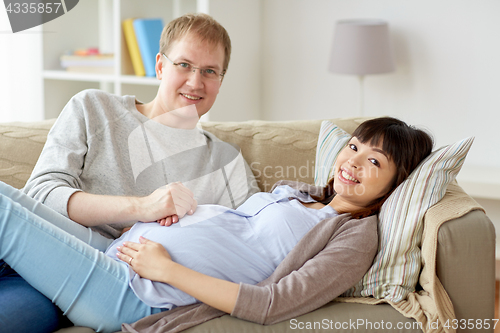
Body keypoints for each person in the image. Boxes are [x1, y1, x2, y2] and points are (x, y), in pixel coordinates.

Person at [0, 117, 433, 333]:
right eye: (353, 146)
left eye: (374, 161)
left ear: (397, 182)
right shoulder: (304, 195)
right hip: (118, 250)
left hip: (134, 291)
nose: (352, 161)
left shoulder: (357, 235)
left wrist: (168, 269)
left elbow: (274, 303)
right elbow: (236, 231)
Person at [0, 13, 259, 333]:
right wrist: (141, 209)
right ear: (161, 66)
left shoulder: (226, 162)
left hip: (92, 286)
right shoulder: (93, 108)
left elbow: (252, 242)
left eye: (209, 71)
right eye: (184, 65)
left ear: (220, 81)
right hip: (25, 254)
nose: (195, 82)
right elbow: (40, 195)